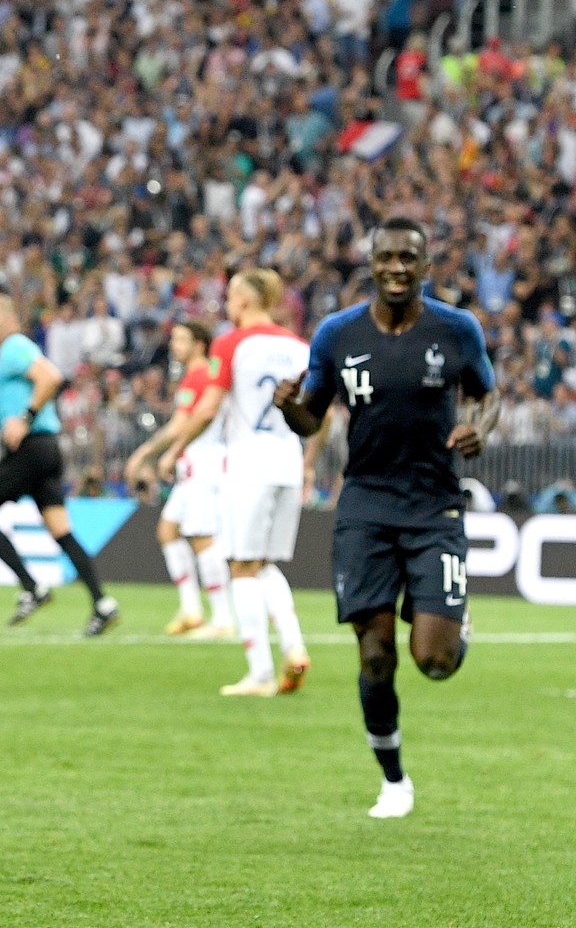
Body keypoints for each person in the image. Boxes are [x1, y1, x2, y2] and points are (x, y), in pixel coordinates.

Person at [275, 217, 498, 818]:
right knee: (374, 655)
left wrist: (481, 426)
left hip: (434, 504)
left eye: (409, 258)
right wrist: (290, 407)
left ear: (427, 267)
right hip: (365, 504)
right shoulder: (337, 334)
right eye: (386, 257)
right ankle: (394, 778)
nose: (397, 268)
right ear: (370, 263)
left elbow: (486, 389)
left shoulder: (456, 329)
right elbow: (311, 420)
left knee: (435, 663)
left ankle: (455, 622)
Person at [161, 269, 310, 697]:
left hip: (250, 464)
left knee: (242, 566)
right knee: (265, 564)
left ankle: (260, 672)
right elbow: (321, 416)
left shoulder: (231, 343)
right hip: (289, 462)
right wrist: (312, 464)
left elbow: (208, 408)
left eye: (229, 297)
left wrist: (175, 450)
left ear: (243, 301)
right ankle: (295, 646)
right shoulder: (299, 346)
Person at [0, 293, 119, 634]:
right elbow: (17, 405)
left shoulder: (15, 346)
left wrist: (25, 417)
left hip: (31, 449)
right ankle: (102, 603)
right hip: (44, 447)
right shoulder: (8, 352)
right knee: (61, 530)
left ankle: (32, 587)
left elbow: (50, 377)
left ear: (8, 319)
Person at [124, 319, 234, 638]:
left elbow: (178, 426)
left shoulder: (199, 375)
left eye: (181, 340)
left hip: (205, 463)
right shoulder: (200, 375)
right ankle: (191, 611)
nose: (174, 346)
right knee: (168, 530)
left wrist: (145, 453)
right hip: (195, 463)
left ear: (199, 344)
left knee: (202, 538)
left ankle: (223, 618)